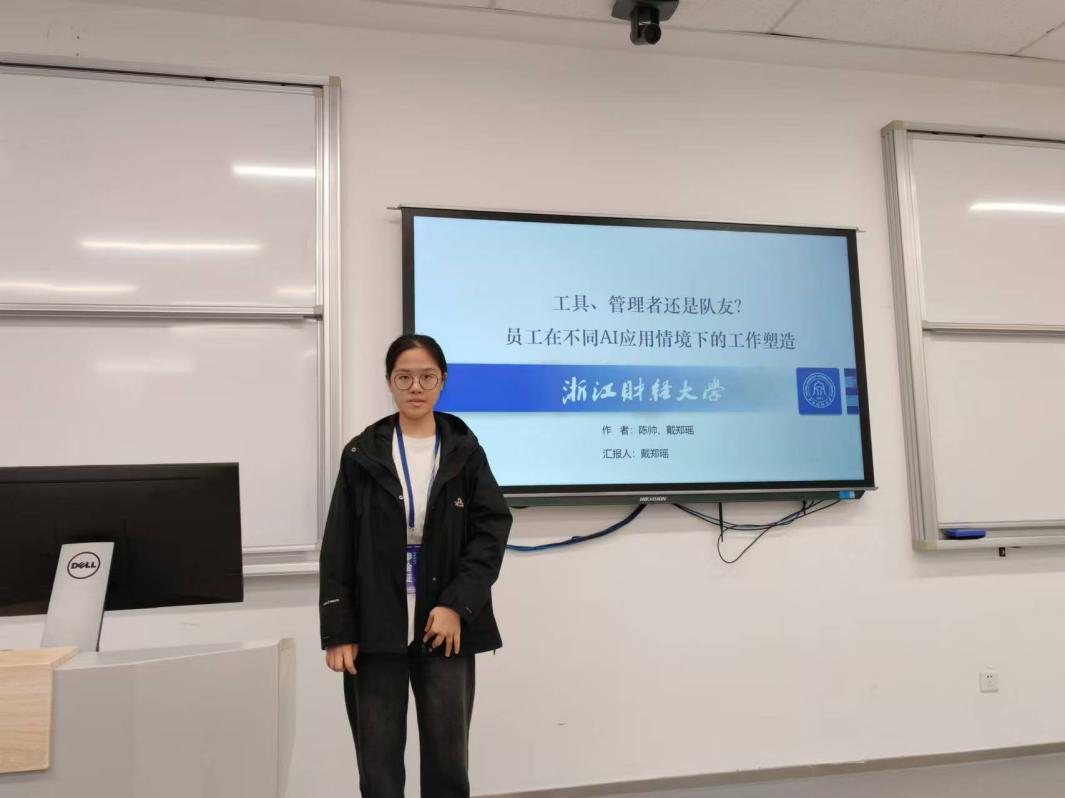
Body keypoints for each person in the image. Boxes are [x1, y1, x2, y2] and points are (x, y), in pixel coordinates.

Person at [319, 333, 512, 798]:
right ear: (389, 381)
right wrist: (339, 629)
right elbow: (338, 545)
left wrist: (457, 606)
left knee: (448, 762)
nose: (416, 387)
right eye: (404, 377)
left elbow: (491, 532)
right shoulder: (362, 454)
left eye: (427, 376)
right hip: (375, 626)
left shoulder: (465, 450)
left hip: (444, 626)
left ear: (443, 380)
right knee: (378, 764)